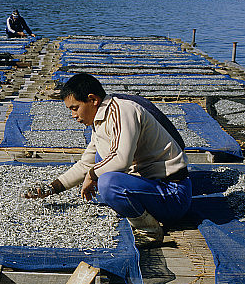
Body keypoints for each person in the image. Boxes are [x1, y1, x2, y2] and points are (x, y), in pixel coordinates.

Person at [24, 73, 191, 246]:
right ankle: (138, 212)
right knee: (99, 160)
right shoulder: (99, 121)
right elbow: (86, 163)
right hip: (149, 188)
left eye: (75, 108)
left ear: (93, 100)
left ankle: (150, 231)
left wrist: (92, 174)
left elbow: (121, 159)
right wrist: (52, 188)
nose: (73, 115)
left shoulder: (123, 111)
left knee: (108, 182)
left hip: (172, 194)